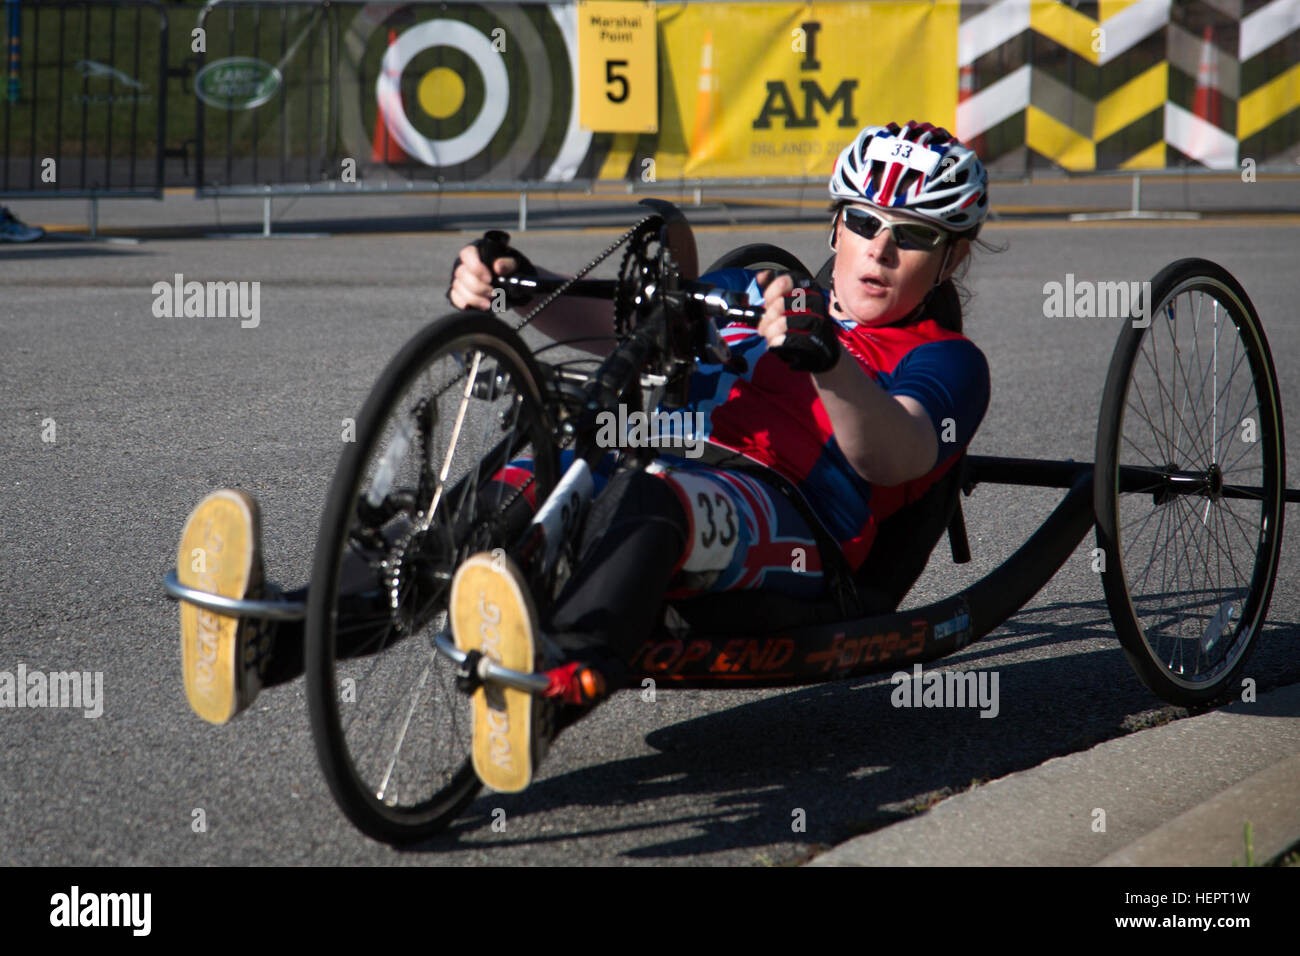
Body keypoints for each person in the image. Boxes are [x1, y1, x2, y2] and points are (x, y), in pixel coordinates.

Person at [174, 121, 992, 794]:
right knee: (523, 474)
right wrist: (518, 286)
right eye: (863, 222)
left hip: (796, 531)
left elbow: (900, 451)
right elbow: (623, 328)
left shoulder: (945, 357)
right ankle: (276, 638)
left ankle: (553, 689)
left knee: (656, 496)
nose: (879, 251)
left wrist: (832, 362)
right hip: (667, 457)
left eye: (912, 236)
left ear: (952, 256)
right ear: (835, 223)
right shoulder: (756, 294)